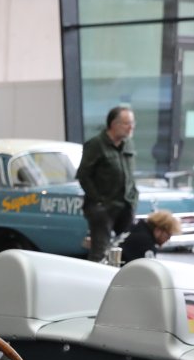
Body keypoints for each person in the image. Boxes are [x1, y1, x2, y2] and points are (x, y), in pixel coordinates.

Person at [77, 105, 138, 263]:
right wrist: (99, 201)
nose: (131, 127)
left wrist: (134, 198)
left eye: (132, 123)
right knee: (100, 252)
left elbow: (130, 175)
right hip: (103, 209)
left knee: (127, 249)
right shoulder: (96, 144)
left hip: (125, 206)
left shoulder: (128, 143)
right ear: (114, 124)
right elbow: (83, 176)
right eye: (127, 123)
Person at [117, 209, 182, 264]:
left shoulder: (137, 227)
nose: (168, 239)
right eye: (168, 235)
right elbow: (149, 269)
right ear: (159, 230)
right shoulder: (146, 243)